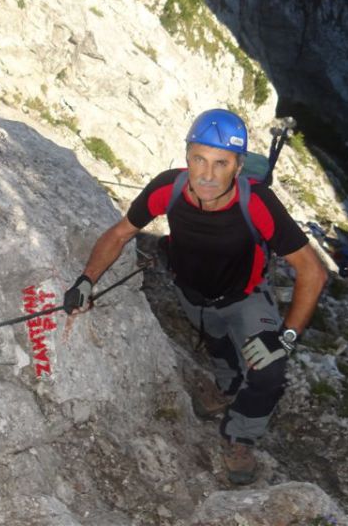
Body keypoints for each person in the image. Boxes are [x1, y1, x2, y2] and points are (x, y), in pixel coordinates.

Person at [64, 109, 328, 485]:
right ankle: (226, 388)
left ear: (237, 166)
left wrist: (286, 337)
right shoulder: (168, 189)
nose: (207, 174)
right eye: (199, 159)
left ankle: (240, 436)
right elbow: (120, 233)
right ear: (187, 156)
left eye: (221, 163)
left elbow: (312, 271)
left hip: (246, 299)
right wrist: (86, 280)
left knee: (269, 371)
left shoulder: (257, 203)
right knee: (218, 347)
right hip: (192, 295)